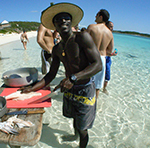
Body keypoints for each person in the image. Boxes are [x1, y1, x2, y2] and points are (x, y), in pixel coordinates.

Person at [20, 3, 102, 147]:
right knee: (74, 119)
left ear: (71, 22)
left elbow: (97, 65)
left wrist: (74, 78)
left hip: (85, 88)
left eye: (66, 18)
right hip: (69, 89)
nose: (63, 21)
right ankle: (74, 136)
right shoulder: (57, 48)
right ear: (54, 26)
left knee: (83, 129)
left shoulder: (82, 37)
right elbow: (51, 75)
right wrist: (32, 88)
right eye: (59, 19)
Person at [87, 9, 114, 99]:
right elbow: (110, 51)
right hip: (102, 59)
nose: (95, 17)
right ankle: (94, 106)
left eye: (96, 15)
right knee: (97, 86)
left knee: (85, 83)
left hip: (90, 57)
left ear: (100, 16)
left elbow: (83, 42)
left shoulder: (91, 27)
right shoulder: (109, 33)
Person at [103, 21, 117, 94]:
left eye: (112, 27)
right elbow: (102, 50)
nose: (112, 28)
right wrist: (112, 54)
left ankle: (104, 88)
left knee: (107, 76)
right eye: (110, 26)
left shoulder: (110, 35)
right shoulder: (104, 35)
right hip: (104, 57)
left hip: (108, 59)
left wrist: (111, 54)